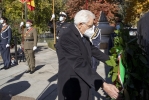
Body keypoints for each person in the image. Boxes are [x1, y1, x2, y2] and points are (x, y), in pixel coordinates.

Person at [56, 10, 119, 100]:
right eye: (90, 26)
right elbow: (79, 64)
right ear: (81, 24)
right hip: (72, 85)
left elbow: (93, 50)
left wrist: (112, 61)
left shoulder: (81, 34)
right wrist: (103, 84)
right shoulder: (67, 37)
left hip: (83, 80)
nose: (93, 28)